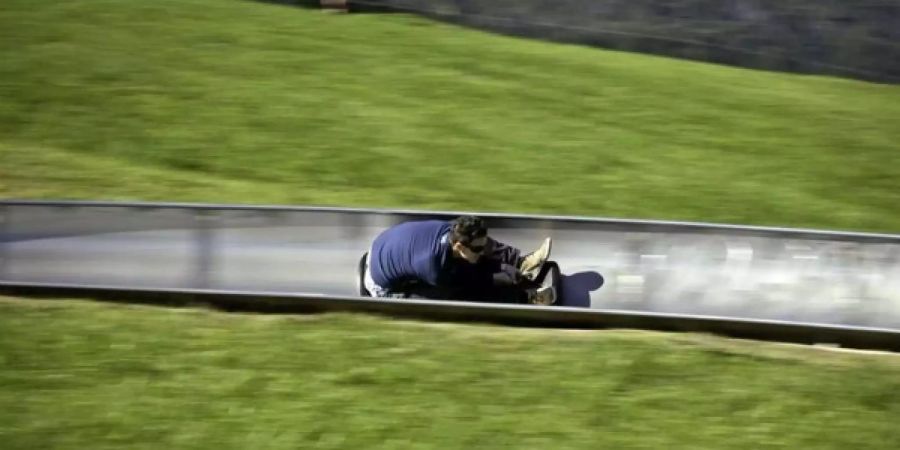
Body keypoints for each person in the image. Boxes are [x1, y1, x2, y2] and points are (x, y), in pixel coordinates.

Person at [364, 215, 555, 305]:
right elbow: (474, 281)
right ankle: (527, 299)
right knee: (457, 296)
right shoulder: (434, 268)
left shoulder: (452, 229)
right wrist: (504, 277)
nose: (481, 250)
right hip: (381, 285)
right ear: (459, 246)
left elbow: (477, 253)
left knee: (479, 251)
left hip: (384, 245)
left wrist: (508, 267)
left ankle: (522, 263)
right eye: (477, 248)